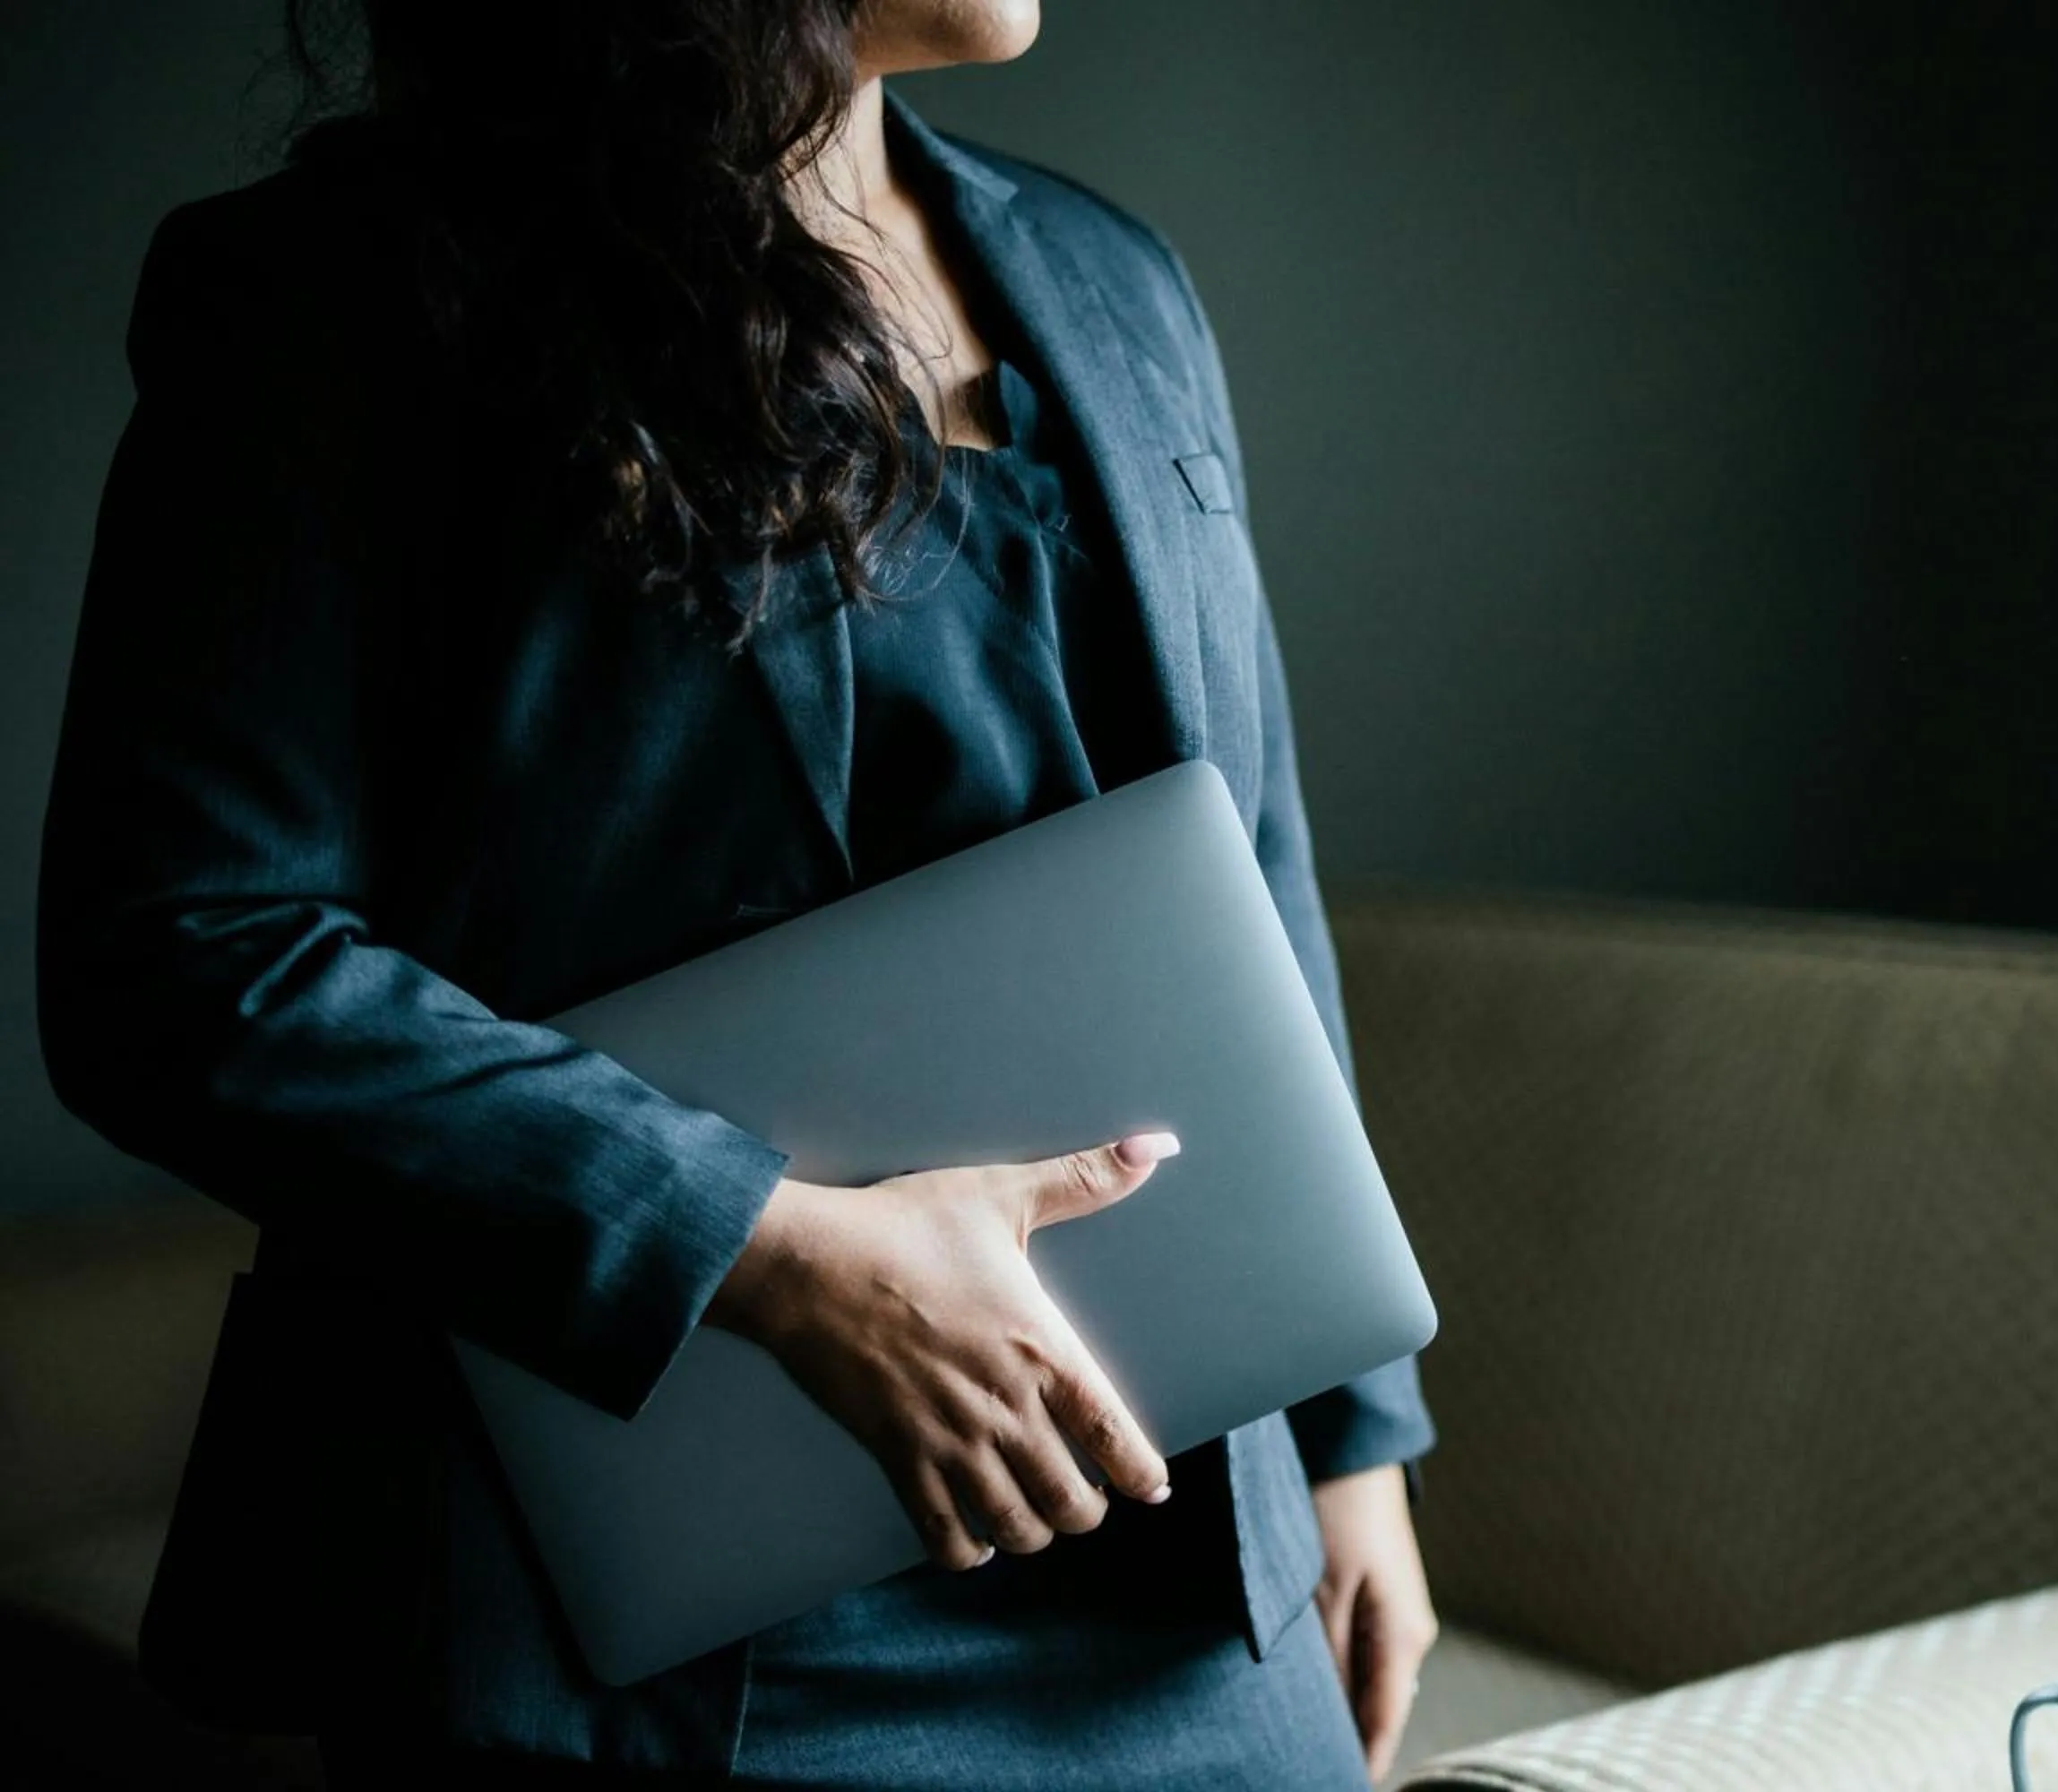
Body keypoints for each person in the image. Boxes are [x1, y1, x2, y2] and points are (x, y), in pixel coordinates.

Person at [35, 2, 1436, 1785]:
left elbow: (1254, 854)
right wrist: (770, 1253)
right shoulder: (346, 287)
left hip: (1178, 1561)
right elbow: (180, 953)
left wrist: (1349, 1437)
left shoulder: (1113, 274)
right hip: (652, 1627)